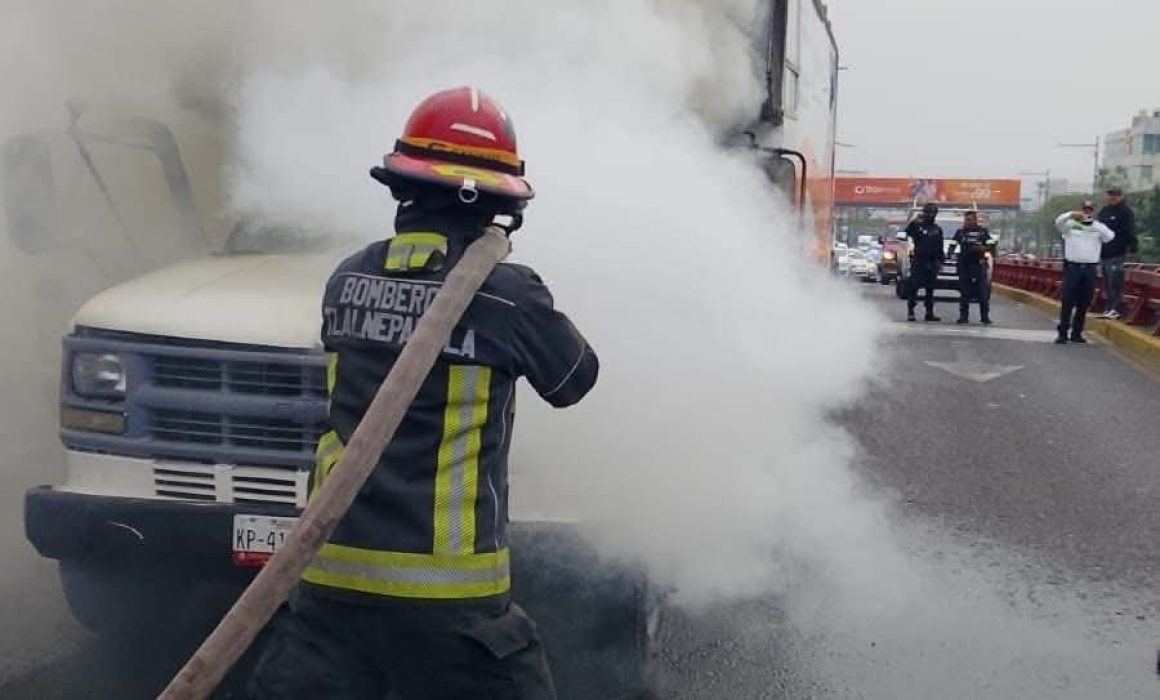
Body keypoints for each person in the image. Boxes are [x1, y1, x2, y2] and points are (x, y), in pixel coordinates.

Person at [247, 86, 599, 700]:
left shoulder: (347, 277)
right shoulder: (506, 295)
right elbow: (575, 380)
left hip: (329, 589)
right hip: (450, 607)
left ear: (401, 185)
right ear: (490, 200)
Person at [1054, 201, 1115, 344]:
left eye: (1090, 210)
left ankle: (1077, 333)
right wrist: (1071, 215)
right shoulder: (1070, 226)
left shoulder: (1098, 227)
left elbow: (1110, 236)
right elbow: (1058, 222)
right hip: (1073, 267)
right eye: (1084, 210)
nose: (1087, 213)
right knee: (1068, 300)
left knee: (1084, 302)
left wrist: (1096, 224)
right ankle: (1062, 333)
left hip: (1089, 268)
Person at [1097, 185, 1138, 319]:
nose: (1113, 197)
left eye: (1116, 194)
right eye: (1110, 194)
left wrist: (1133, 249)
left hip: (1118, 252)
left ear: (1121, 196)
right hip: (1104, 253)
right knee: (1107, 282)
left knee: (1115, 281)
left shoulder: (1125, 212)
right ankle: (1109, 307)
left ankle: (1116, 308)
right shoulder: (1104, 211)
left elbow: (1130, 231)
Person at [948, 210, 994, 325]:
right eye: (966, 220)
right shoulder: (960, 232)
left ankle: (985, 317)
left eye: (969, 220)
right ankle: (963, 317)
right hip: (964, 265)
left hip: (978, 265)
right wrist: (951, 254)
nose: (967, 222)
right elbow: (952, 246)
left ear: (975, 220)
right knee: (964, 293)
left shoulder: (983, 232)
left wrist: (982, 248)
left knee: (982, 293)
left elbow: (992, 245)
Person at [905, 202, 945, 322]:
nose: (930, 215)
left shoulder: (937, 229)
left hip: (932, 262)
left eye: (932, 213)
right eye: (928, 212)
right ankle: (911, 312)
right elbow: (907, 232)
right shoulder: (918, 227)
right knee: (914, 288)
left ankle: (929, 312)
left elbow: (940, 246)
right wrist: (914, 222)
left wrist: (941, 260)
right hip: (919, 261)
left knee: (930, 290)